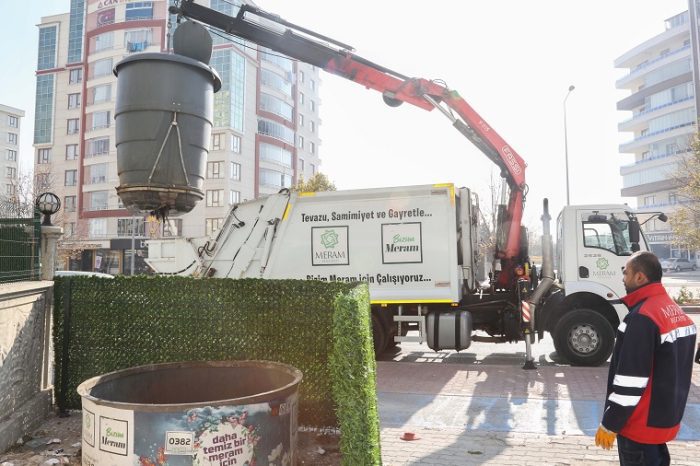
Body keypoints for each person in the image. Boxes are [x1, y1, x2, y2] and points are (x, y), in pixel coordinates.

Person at [595, 251, 696, 465]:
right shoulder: (674, 311)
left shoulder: (642, 317)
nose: (623, 279)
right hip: (662, 421)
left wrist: (610, 423)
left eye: (626, 273)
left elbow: (630, 381)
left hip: (638, 426)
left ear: (640, 277)